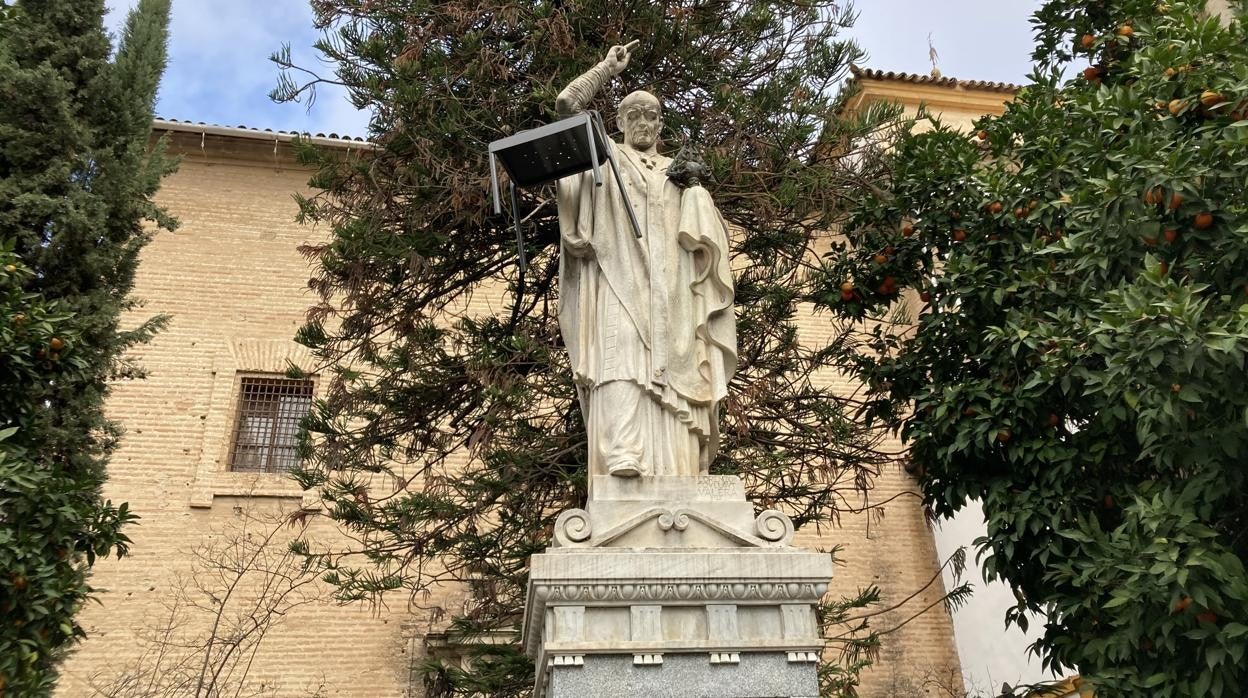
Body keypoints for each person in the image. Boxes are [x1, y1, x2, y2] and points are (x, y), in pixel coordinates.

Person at [554, 42, 737, 484]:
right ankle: (624, 451)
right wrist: (605, 69)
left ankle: (679, 466)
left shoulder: (678, 171)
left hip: (673, 290)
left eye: (650, 116)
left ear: (661, 123)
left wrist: (695, 192)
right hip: (617, 276)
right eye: (632, 116)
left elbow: (707, 236)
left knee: (680, 366)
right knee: (620, 362)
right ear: (617, 123)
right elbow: (566, 106)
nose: (641, 123)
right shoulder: (607, 157)